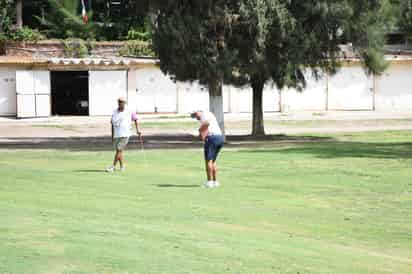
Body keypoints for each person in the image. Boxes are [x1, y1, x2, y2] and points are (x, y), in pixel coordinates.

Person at [106, 97, 141, 173]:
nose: (120, 104)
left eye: (122, 102)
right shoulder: (114, 111)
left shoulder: (129, 111)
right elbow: (112, 123)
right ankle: (122, 166)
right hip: (117, 134)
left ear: (125, 103)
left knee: (119, 150)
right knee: (119, 151)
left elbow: (135, 119)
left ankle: (113, 167)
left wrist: (137, 130)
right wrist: (112, 136)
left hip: (125, 134)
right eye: (119, 102)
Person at [191, 111, 224, 188]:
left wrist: (199, 131)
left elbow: (206, 124)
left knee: (208, 160)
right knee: (213, 161)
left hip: (212, 138)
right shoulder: (209, 114)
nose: (197, 119)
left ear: (197, 113)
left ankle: (209, 182)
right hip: (219, 138)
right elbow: (206, 129)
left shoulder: (204, 115)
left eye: (196, 117)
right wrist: (202, 135)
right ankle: (215, 182)